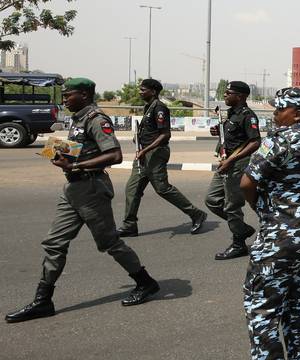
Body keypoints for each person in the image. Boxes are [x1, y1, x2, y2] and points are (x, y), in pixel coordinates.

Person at [5, 78, 159, 324]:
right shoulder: (78, 118)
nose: (64, 99)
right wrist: (60, 152)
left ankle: (146, 282)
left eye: (69, 95)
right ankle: (43, 301)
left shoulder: (97, 119)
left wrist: (75, 165)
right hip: (73, 189)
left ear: (85, 95)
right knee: (54, 243)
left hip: (91, 189)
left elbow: (115, 155)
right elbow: (82, 147)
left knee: (109, 243)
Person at [240, 87, 300, 359]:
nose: (274, 114)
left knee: (262, 305)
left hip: (283, 231)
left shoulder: (278, 141)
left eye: (279, 109)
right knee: (299, 299)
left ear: (296, 114)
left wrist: (259, 205)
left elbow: (247, 182)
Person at [118, 79, 207, 237]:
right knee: (132, 189)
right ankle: (129, 225)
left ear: (153, 91)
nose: (140, 92)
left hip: (155, 153)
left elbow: (165, 134)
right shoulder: (148, 107)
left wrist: (146, 149)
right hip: (144, 154)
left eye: (143, 89)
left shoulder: (160, 108)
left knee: (162, 188)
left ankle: (196, 214)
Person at [205, 81, 261, 260]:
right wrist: (218, 131)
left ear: (240, 96)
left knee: (232, 206)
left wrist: (231, 160)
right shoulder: (230, 114)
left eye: (228, 93)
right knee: (212, 200)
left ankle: (239, 244)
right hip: (225, 162)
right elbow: (231, 136)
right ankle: (242, 229)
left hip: (236, 165)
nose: (225, 96)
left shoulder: (247, 116)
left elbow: (255, 142)